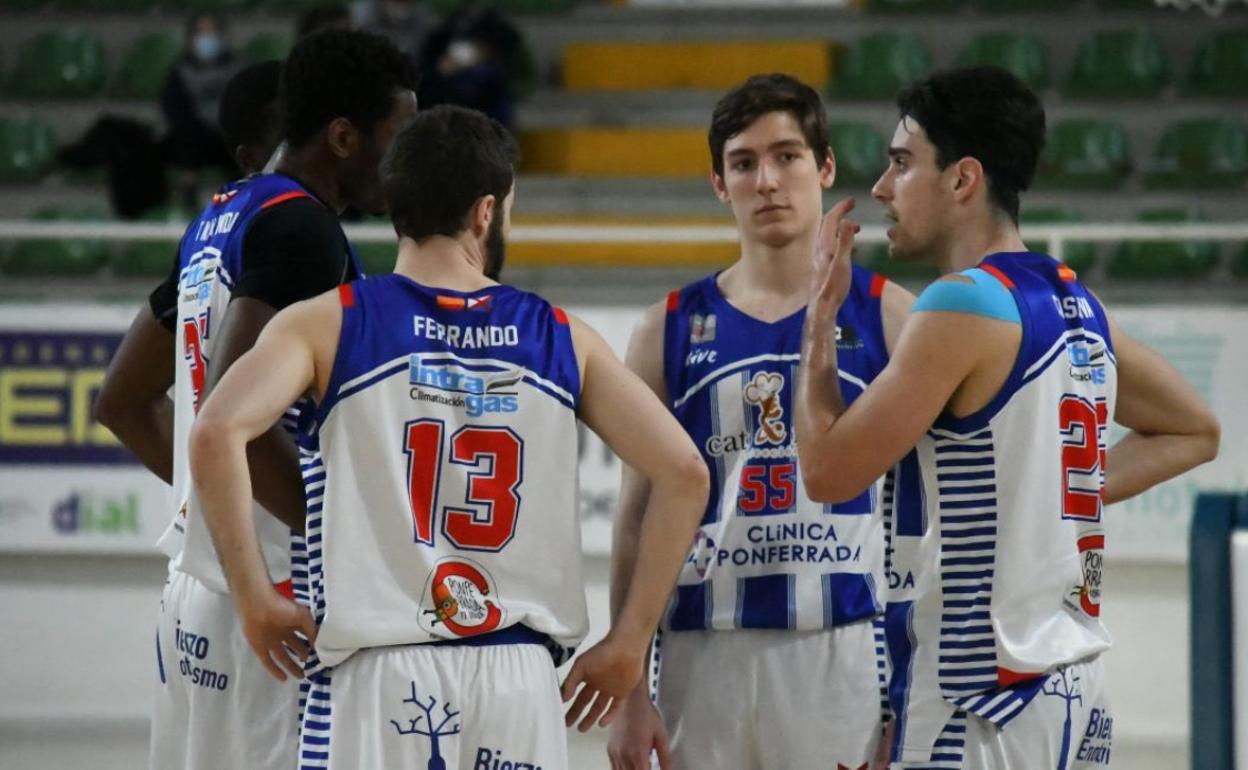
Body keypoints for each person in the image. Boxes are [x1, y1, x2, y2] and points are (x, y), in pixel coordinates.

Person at [187, 104, 710, 769]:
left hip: (379, 674)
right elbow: (686, 474)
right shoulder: (562, 336)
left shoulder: (325, 322)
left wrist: (255, 596)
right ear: (486, 212)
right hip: (518, 677)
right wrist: (630, 641)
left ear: (396, 205)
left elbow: (214, 430)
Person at [793, 65, 1221, 769]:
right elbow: (1195, 430)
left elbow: (828, 470)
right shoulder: (1078, 305)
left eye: (902, 164)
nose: (880, 190)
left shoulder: (958, 305)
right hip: (1077, 689)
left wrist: (818, 319)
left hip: (983, 698)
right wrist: (1051, 493)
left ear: (963, 180)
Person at [94, 29, 419, 770]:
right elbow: (231, 419)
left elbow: (122, 399)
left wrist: (207, 505)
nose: (402, 162)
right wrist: (337, 531)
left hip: (196, 590)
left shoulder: (222, 213)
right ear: (344, 136)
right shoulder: (302, 229)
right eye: (396, 136)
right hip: (272, 594)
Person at [607, 73, 913, 770]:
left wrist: (911, 689)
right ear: (719, 184)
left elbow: (923, 516)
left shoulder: (894, 316)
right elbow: (634, 517)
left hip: (840, 647)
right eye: (744, 163)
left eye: (787, 156)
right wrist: (629, 690)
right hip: (701, 646)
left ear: (826, 167)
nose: (766, 180)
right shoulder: (667, 330)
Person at [160, 12, 242, 206]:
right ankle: (187, 193)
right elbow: (173, 109)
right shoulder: (180, 71)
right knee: (186, 130)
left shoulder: (238, 68)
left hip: (226, 138)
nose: (207, 38)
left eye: (212, 32)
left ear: (222, 35)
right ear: (191, 38)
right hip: (192, 140)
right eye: (201, 32)